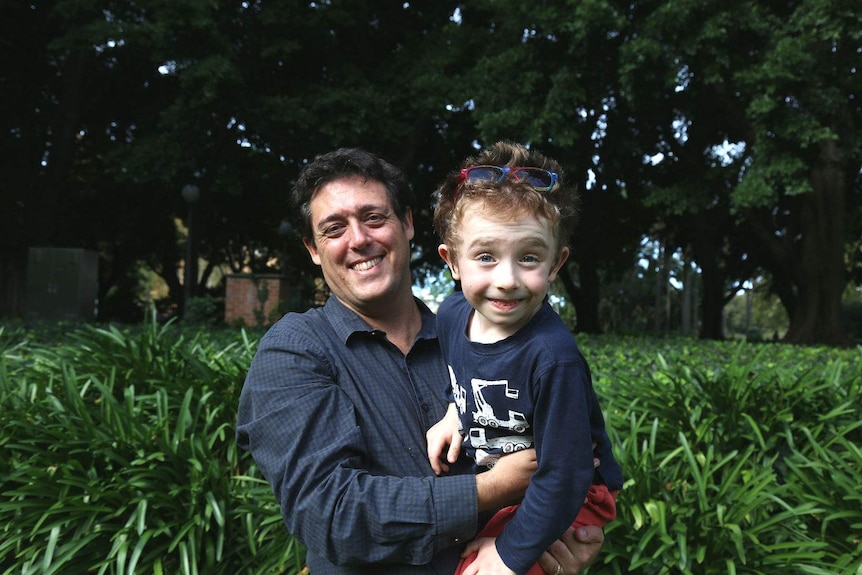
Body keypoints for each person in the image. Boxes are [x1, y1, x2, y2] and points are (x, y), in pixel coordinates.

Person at [235, 147, 607, 575]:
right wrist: (493, 487)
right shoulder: (296, 350)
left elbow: (572, 468)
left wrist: (559, 544)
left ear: (407, 224)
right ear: (313, 250)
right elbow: (332, 515)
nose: (359, 239)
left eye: (374, 218)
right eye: (334, 228)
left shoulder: (487, 335)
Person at [426, 142, 623, 575]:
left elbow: (565, 475)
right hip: (519, 481)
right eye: (485, 257)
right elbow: (460, 375)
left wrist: (509, 555)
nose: (507, 279)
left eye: (529, 257)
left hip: (569, 490)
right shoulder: (452, 313)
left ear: (556, 263)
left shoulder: (553, 358)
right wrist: (452, 415)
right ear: (452, 261)